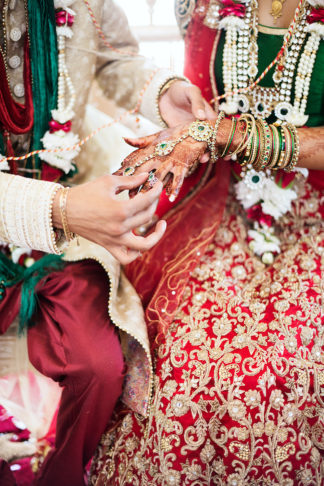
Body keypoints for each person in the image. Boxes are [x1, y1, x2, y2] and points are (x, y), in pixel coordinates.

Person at [90, 0, 324, 484]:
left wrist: (223, 133)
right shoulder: (199, 5)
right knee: (182, 367)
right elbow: (135, 74)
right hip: (210, 211)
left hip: (313, 217)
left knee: (298, 372)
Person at [0, 1, 213, 485]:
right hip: (52, 213)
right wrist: (63, 210)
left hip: (54, 242)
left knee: (97, 366)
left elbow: (113, 57)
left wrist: (164, 93)